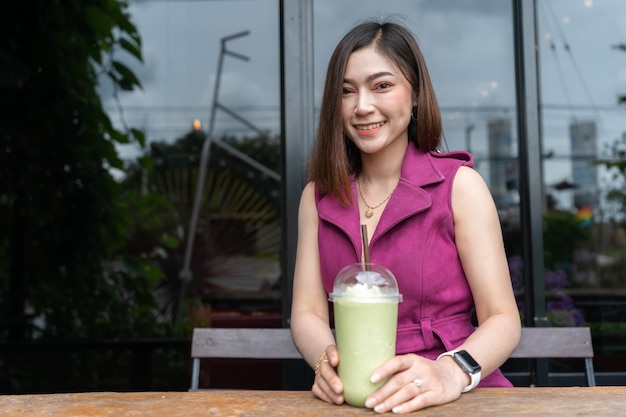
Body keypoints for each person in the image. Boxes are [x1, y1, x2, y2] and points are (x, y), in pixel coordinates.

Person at [290, 18, 521, 414]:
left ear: (415, 94)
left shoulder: (460, 186)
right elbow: (307, 312)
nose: (363, 106)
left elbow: (502, 319)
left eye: (382, 86)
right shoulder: (317, 196)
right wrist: (325, 361)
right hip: (355, 399)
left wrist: (451, 372)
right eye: (347, 91)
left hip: (455, 398)